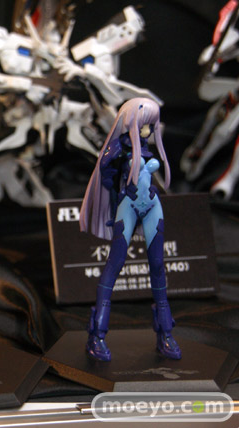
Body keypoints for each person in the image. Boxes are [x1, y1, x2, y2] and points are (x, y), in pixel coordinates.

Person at [79, 97, 181, 361]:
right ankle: (97, 334)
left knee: (157, 264)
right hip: (129, 205)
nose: (148, 130)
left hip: (152, 204)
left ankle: (165, 333)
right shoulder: (118, 148)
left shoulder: (144, 146)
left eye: (150, 125)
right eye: (144, 124)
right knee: (115, 263)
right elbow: (105, 173)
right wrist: (113, 176)